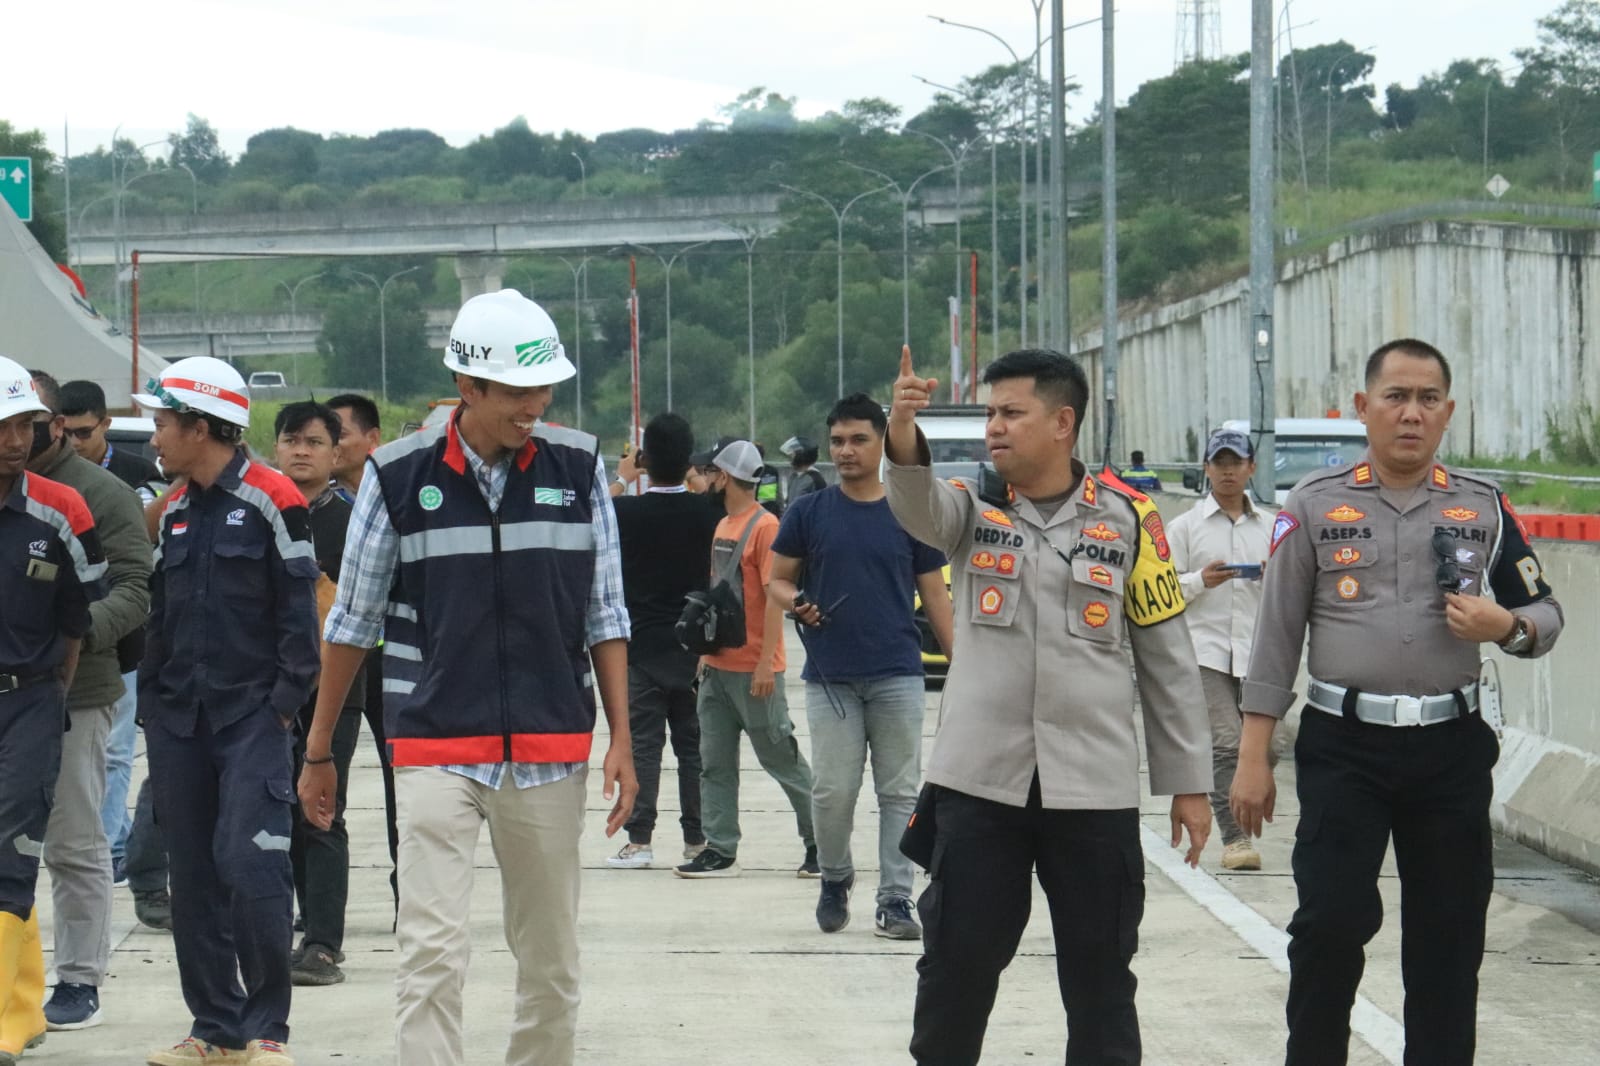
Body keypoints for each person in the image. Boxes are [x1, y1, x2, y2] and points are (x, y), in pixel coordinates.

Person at [296, 290, 636, 1066]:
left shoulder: (578, 468)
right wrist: (320, 751)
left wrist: (622, 739)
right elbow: (352, 621)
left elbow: (605, 613)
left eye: (544, 389)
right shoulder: (395, 476)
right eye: (518, 392)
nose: (535, 406)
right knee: (431, 954)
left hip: (549, 745)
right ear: (468, 387)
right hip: (433, 742)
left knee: (550, 961)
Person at [1232, 338, 1566, 1066]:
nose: (1410, 414)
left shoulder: (1482, 506)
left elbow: (1545, 614)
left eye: (1426, 400)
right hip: (1343, 745)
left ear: (1447, 412)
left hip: (1450, 749)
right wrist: (1252, 755)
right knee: (1328, 924)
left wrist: (1503, 625)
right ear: (1363, 408)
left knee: (1449, 936)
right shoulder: (1316, 503)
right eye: (1395, 397)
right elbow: (1277, 636)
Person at [885, 346, 1212, 1066]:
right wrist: (903, 425)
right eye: (989, 414)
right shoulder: (970, 512)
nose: (994, 428)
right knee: (955, 973)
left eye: (1011, 412)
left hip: (1091, 790)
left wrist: (1189, 780)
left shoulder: (1128, 523)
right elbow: (912, 497)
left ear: (1062, 422)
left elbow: (1165, 656)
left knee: (1100, 983)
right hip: (979, 787)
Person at [134, 356, 321, 1066]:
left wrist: (281, 707)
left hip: (251, 721)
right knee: (194, 882)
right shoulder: (175, 510)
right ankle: (214, 1029)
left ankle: (266, 1028)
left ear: (203, 425)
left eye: (162, 422)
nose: (154, 438)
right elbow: (159, 619)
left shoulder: (274, 499)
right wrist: (153, 702)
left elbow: (300, 618)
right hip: (181, 721)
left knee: (251, 868)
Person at [770, 393, 953, 938]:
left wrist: (964, 666)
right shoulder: (809, 512)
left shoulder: (911, 514)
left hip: (897, 672)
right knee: (832, 789)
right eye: (838, 441)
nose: (846, 451)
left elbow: (937, 598)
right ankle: (835, 876)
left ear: (881, 444)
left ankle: (896, 899)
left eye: (858, 440)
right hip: (831, 677)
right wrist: (794, 601)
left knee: (899, 791)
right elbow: (776, 579)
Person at [25, 372, 150, 1033]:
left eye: (32, 421)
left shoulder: (103, 494)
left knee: (73, 842)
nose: (21, 434)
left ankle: (78, 979)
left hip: (78, 691)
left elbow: (136, 588)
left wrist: (70, 631)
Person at [0, 357, 105, 1066]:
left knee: (11, 846)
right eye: (3, 426)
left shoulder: (62, 510)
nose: (16, 439)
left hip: (32, 698)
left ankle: (5, 1020)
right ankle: (23, 1002)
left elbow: (79, 619)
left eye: (26, 425)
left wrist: (52, 690)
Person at [673, 439, 819, 879]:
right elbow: (721, 592)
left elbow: (776, 596)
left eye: (712, 471)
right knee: (714, 762)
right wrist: (705, 655)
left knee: (783, 761)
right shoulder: (724, 525)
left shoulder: (765, 527)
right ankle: (720, 847)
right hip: (718, 668)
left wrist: (764, 664)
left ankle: (820, 843)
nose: (708, 477)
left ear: (724, 476)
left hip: (756, 670)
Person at [271, 402, 364, 988]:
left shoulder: (355, 521)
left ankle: (324, 943)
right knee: (271, 809)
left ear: (337, 453)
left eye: (313, 441)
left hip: (337, 685)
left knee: (322, 811)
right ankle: (274, 931)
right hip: (268, 685)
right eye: (290, 440)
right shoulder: (260, 511)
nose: (300, 451)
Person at [604, 413, 719, 869]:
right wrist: (689, 471)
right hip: (696, 649)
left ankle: (640, 840)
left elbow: (593, 509)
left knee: (644, 747)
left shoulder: (625, 512)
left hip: (641, 648)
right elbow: (706, 489)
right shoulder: (707, 512)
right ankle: (697, 838)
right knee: (694, 750)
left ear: (644, 459)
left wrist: (622, 476)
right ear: (689, 460)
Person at [59, 379, 160, 892]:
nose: (75, 442)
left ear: (104, 423)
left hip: (110, 648)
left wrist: (86, 630)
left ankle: (115, 847)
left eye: (83, 432)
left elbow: (137, 574)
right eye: (66, 432)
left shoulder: (132, 478)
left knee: (117, 751)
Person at [1166, 427, 1272, 873]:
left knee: (1266, 750)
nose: (1228, 471)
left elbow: (1296, 588)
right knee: (1226, 742)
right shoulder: (1185, 527)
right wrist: (1198, 581)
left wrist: (1272, 577)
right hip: (1204, 651)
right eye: (1219, 463)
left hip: (1259, 651)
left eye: (1236, 462)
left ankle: (1243, 813)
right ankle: (1235, 839)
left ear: (1250, 468)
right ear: (1206, 469)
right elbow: (1161, 587)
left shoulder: (1273, 526)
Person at [324, 392, 399, 917]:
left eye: (339, 434)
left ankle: (411, 898)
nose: (329, 446)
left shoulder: (400, 496)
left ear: (373, 441)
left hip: (396, 659)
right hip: (345, 663)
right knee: (329, 782)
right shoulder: (314, 506)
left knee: (409, 784)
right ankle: (322, 918)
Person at [779, 434, 826, 504]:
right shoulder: (794, 477)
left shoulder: (815, 479)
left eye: (792, 454)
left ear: (801, 455)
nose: (790, 458)